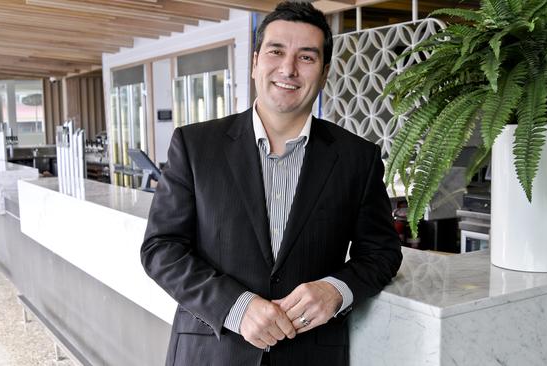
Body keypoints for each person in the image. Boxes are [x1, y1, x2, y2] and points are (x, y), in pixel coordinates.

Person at [140, 2, 402, 365]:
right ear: (255, 63)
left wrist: (335, 290)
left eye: (306, 58)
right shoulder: (195, 146)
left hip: (311, 354)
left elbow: (381, 253)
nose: (288, 69)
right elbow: (161, 249)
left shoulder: (358, 158)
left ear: (324, 73)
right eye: (276, 52)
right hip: (211, 352)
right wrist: (235, 306)